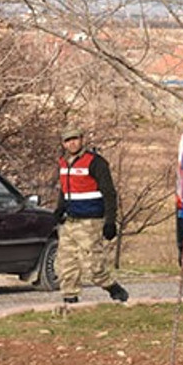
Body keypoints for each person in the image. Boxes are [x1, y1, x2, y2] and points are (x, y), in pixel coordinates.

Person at [55, 127, 129, 306]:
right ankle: (69, 299)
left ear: (81, 140)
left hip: (90, 221)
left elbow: (109, 193)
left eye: (75, 139)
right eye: (67, 140)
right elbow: (64, 189)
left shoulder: (95, 162)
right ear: (63, 143)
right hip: (70, 221)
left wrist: (110, 221)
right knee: (66, 264)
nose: (71, 143)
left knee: (93, 265)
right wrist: (59, 209)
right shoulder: (63, 163)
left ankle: (113, 288)